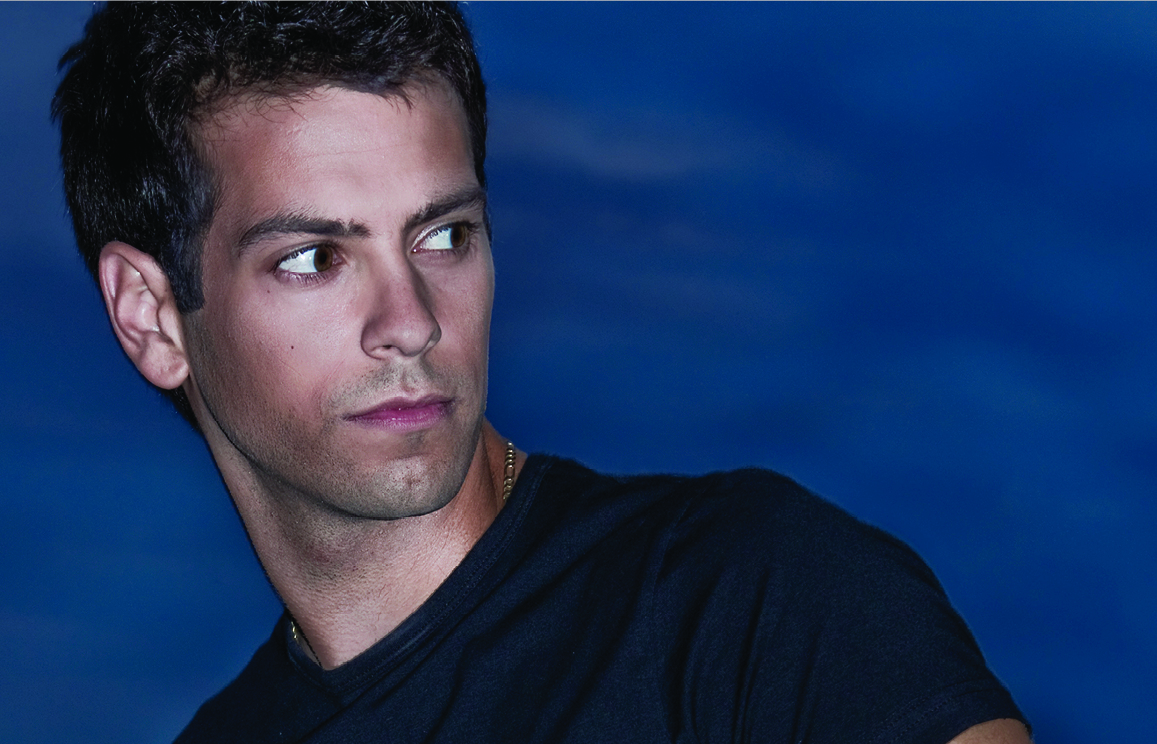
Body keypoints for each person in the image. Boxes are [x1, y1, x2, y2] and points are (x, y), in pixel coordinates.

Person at [53, 3, 1030, 742]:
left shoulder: (754, 601)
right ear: (152, 317)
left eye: (443, 236)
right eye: (313, 258)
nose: (410, 322)